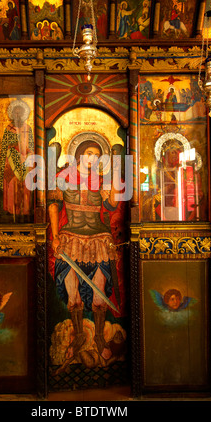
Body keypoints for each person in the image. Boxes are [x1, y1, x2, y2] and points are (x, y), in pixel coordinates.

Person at [48, 140, 122, 361]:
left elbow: (112, 205)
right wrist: (55, 236)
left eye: (97, 155)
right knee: (74, 295)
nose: (93, 158)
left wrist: (117, 170)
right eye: (89, 153)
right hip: (70, 237)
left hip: (98, 238)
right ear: (79, 155)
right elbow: (54, 205)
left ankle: (99, 338)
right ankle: (79, 336)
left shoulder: (101, 180)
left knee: (99, 294)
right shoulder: (63, 177)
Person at [0, 99, 34, 218]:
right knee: (12, 185)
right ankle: (11, 211)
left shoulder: (28, 128)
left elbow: (31, 146)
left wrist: (26, 152)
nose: (17, 115)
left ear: (24, 114)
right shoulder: (9, 129)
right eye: (15, 112)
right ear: (12, 114)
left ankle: (25, 211)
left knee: (24, 186)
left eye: (20, 112)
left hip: (25, 161)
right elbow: (4, 147)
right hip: (11, 162)